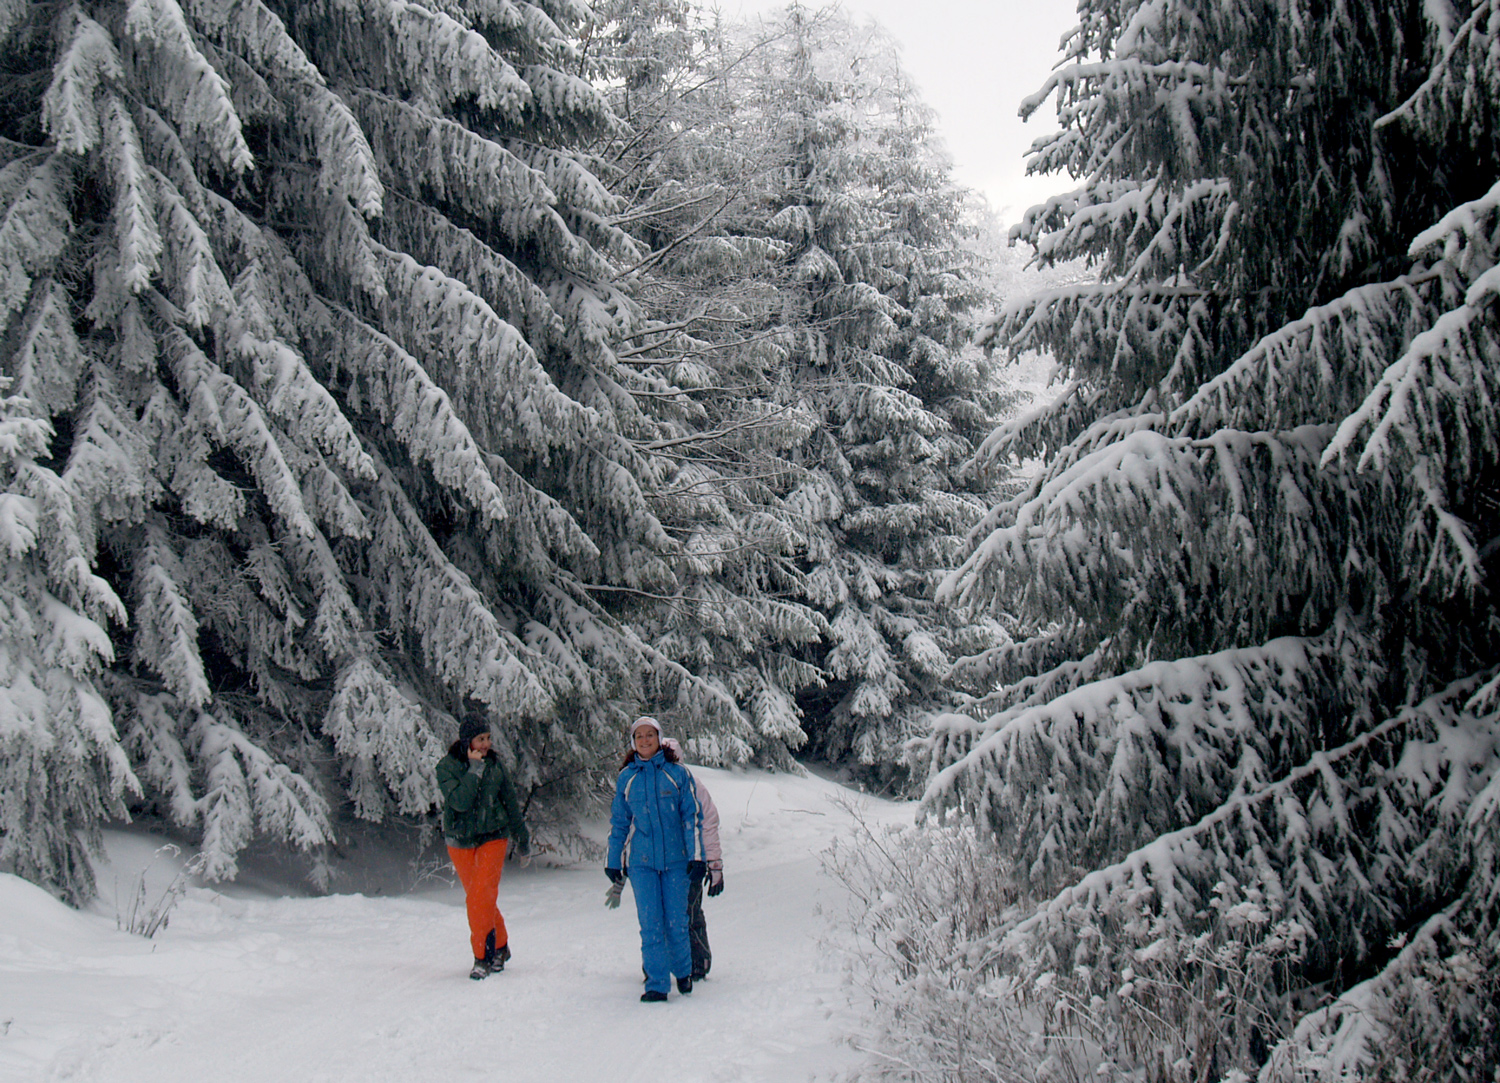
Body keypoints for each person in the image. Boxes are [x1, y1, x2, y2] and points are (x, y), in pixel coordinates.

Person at [606, 716, 704, 1002]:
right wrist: (613, 860)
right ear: (633, 742)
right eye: (639, 736)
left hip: (676, 862)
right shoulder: (627, 777)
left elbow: (692, 817)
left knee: (676, 921)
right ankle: (657, 984)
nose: (645, 740)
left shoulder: (677, 773)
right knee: (650, 924)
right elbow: (620, 822)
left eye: (650, 735)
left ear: (659, 738)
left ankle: (683, 972)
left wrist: (697, 858)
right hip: (642, 863)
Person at [435, 715, 530, 980]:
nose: (486, 744)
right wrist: (474, 770)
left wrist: (523, 840)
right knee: (482, 898)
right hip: (460, 840)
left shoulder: (496, 766)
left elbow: (510, 804)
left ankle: (482, 957)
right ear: (467, 741)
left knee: (479, 898)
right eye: (481, 739)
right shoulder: (447, 767)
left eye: (488, 738)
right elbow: (460, 802)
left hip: (493, 836)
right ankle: (501, 947)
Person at [660, 737, 724, 980]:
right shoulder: (650, 786)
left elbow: (708, 824)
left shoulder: (692, 786)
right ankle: (664, 961)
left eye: (670, 759)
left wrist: (713, 866)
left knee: (689, 912)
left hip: (690, 864)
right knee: (662, 914)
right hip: (660, 865)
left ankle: (698, 959)